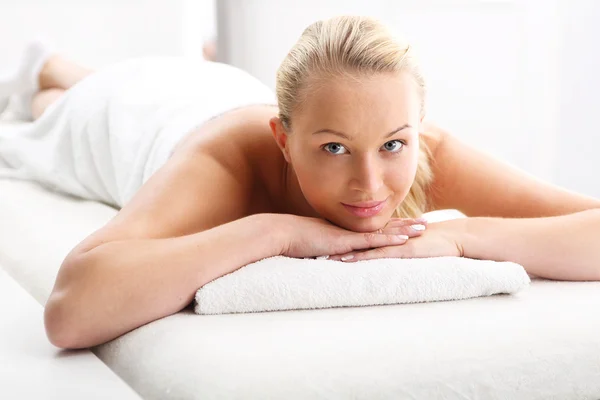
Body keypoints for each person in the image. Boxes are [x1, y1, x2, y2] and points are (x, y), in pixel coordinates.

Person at [1, 16, 598, 350]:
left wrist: (465, 237)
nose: (370, 183)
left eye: (393, 144)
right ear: (284, 142)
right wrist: (270, 232)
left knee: (69, 92)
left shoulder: (424, 150)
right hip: (130, 114)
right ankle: (50, 78)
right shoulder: (227, 163)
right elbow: (71, 311)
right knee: (54, 115)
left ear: (416, 129)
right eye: (333, 148)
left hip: (214, 89)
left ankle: (59, 75)